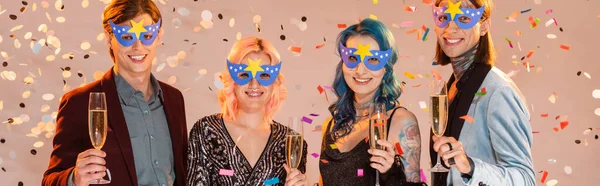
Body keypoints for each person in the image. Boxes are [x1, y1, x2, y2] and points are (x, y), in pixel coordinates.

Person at [42, 0, 188, 185]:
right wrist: (74, 178)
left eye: (146, 36)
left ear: (159, 36)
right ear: (110, 39)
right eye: (126, 37)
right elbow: (50, 181)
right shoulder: (79, 103)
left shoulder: (174, 99)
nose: (138, 47)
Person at [428, 0, 535, 185]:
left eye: (463, 18)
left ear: (484, 26)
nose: (450, 28)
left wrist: (470, 166)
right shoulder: (450, 87)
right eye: (444, 17)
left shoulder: (498, 92)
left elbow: (525, 179)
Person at [187, 37, 308, 186]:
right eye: (244, 75)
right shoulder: (206, 131)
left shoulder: (289, 142)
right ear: (232, 80)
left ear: (274, 82)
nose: (254, 84)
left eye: (264, 75)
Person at [319, 18, 425, 186]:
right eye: (353, 58)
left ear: (386, 67)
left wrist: (390, 172)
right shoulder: (331, 125)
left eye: (373, 60)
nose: (360, 71)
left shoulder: (401, 121)